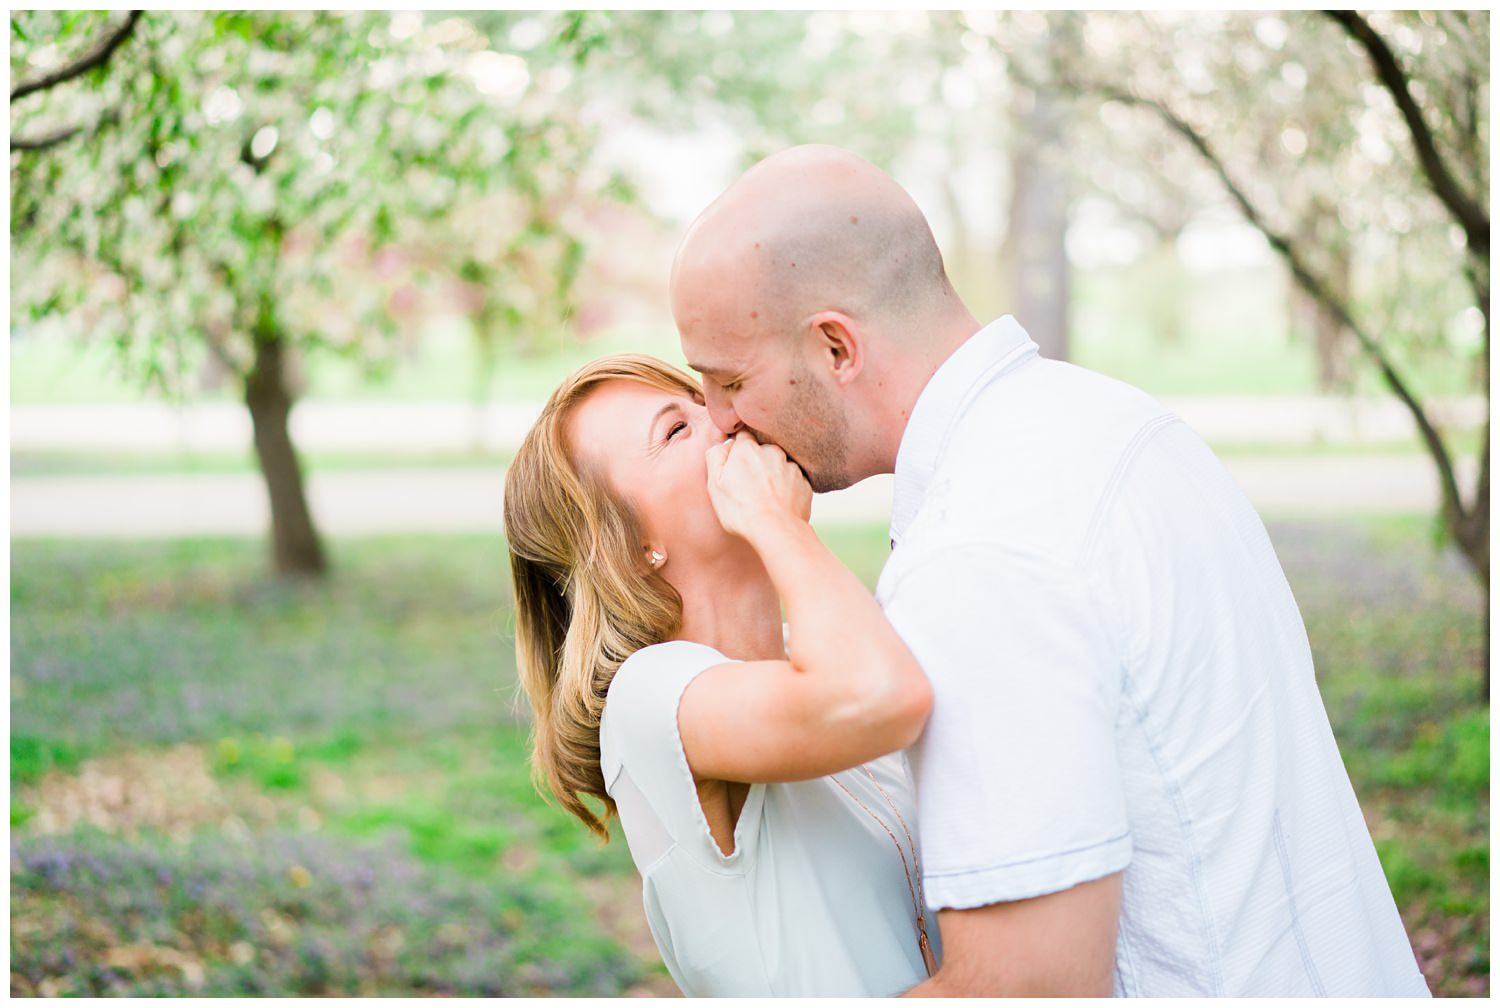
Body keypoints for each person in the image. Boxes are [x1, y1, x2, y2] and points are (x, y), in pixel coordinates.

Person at [668, 144, 1431, 997]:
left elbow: (1028, 986)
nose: (718, 421)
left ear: (836, 347)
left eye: (729, 380)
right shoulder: (1112, 421)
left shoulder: (978, 553)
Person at [502, 355, 940, 996]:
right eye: (676, 430)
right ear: (629, 548)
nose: (726, 419)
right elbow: (880, 698)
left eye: (706, 398)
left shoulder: (813, 651)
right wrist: (774, 523)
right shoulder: (648, 698)